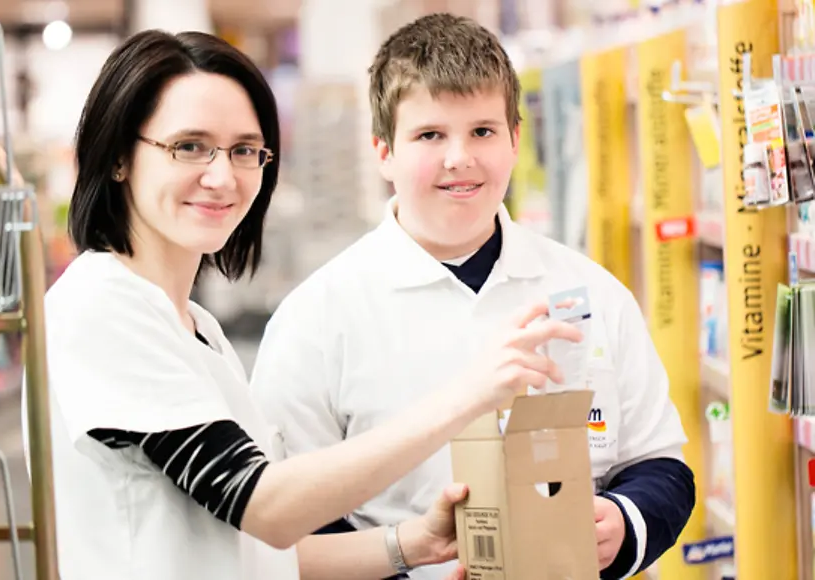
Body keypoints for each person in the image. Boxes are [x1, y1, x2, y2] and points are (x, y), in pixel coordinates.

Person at [20, 29, 585, 580]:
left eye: (244, 150)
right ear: (120, 157)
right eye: (189, 146)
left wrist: (412, 544)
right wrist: (470, 395)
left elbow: (260, 551)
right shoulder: (100, 308)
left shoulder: (197, 329)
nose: (222, 176)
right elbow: (263, 506)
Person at [250, 13, 697, 580]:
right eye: (430, 135)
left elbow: (661, 466)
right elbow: (288, 520)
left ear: (515, 140)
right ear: (383, 151)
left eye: (482, 131)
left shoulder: (594, 291)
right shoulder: (314, 320)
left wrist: (621, 521)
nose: (459, 157)